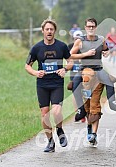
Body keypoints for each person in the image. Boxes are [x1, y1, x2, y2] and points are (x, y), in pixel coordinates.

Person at [70, 17, 116, 145]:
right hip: (84, 69)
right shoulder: (80, 41)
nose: (91, 28)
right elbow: (70, 54)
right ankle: (81, 109)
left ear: (96, 27)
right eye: (89, 26)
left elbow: (106, 49)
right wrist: (85, 54)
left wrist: (106, 53)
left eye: (93, 26)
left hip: (98, 69)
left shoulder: (101, 39)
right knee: (75, 84)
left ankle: (112, 102)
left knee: (109, 81)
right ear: (85, 27)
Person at [25, 18, 73, 152]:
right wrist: (35, 72)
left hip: (57, 83)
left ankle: (59, 129)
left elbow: (70, 62)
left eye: (51, 29)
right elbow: (27, 66)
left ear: (55, 31)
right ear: (43, 31)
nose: (49, 31)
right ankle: (50, 142)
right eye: (47, 29)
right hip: (42, 85)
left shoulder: (61, 46)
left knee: (57, 111)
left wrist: (65, 69)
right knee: (45, 114)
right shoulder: (37, 48)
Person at [67, 30, 86, 123]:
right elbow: (68, 58)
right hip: (74, 72)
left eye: (79, 38)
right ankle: (78, 112)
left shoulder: (84, 46)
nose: (77, 40)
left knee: (85, 93)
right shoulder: (70, 46)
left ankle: (86, 110)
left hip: (84, 72)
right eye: (76, 38)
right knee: (75, 94)